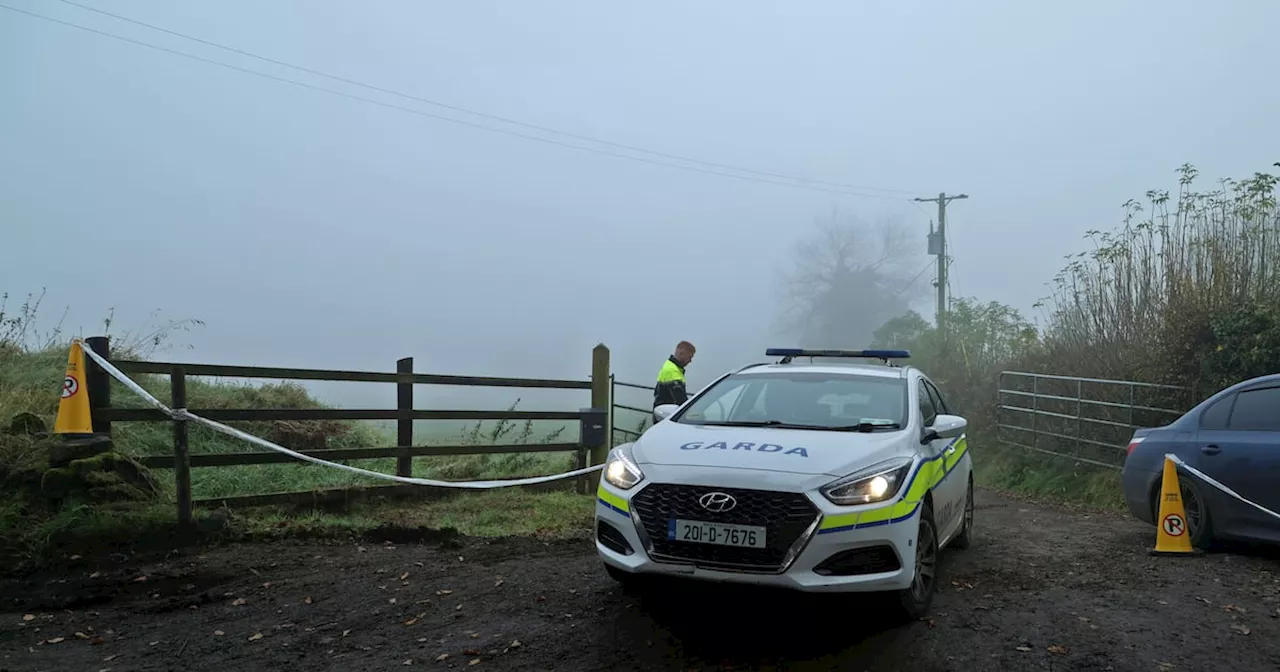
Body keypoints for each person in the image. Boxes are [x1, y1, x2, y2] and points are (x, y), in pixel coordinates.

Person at [654, 341, 695, 409]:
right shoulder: (672, 371)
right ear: (681, 353)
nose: (690, 361)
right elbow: (681, 401)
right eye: (689, 357)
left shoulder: (670, 366)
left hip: (662, 412)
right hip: (668, 415)